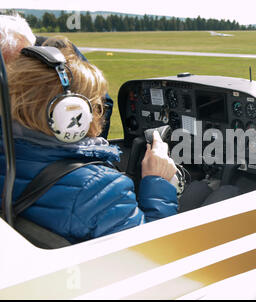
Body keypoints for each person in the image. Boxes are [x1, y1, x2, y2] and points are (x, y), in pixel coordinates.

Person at [0, 37, 178, 244]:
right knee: (219, 192)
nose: (98, 113)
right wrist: (159, 181)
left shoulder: (8, 157)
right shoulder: (99, 189)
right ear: (71, 115)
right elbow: (153, 250)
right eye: (94, 104)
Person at [0, 14, 113, 138]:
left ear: (31, 49)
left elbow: (99, 102)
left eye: (13, 63)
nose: (12, 73)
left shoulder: (60, 54)